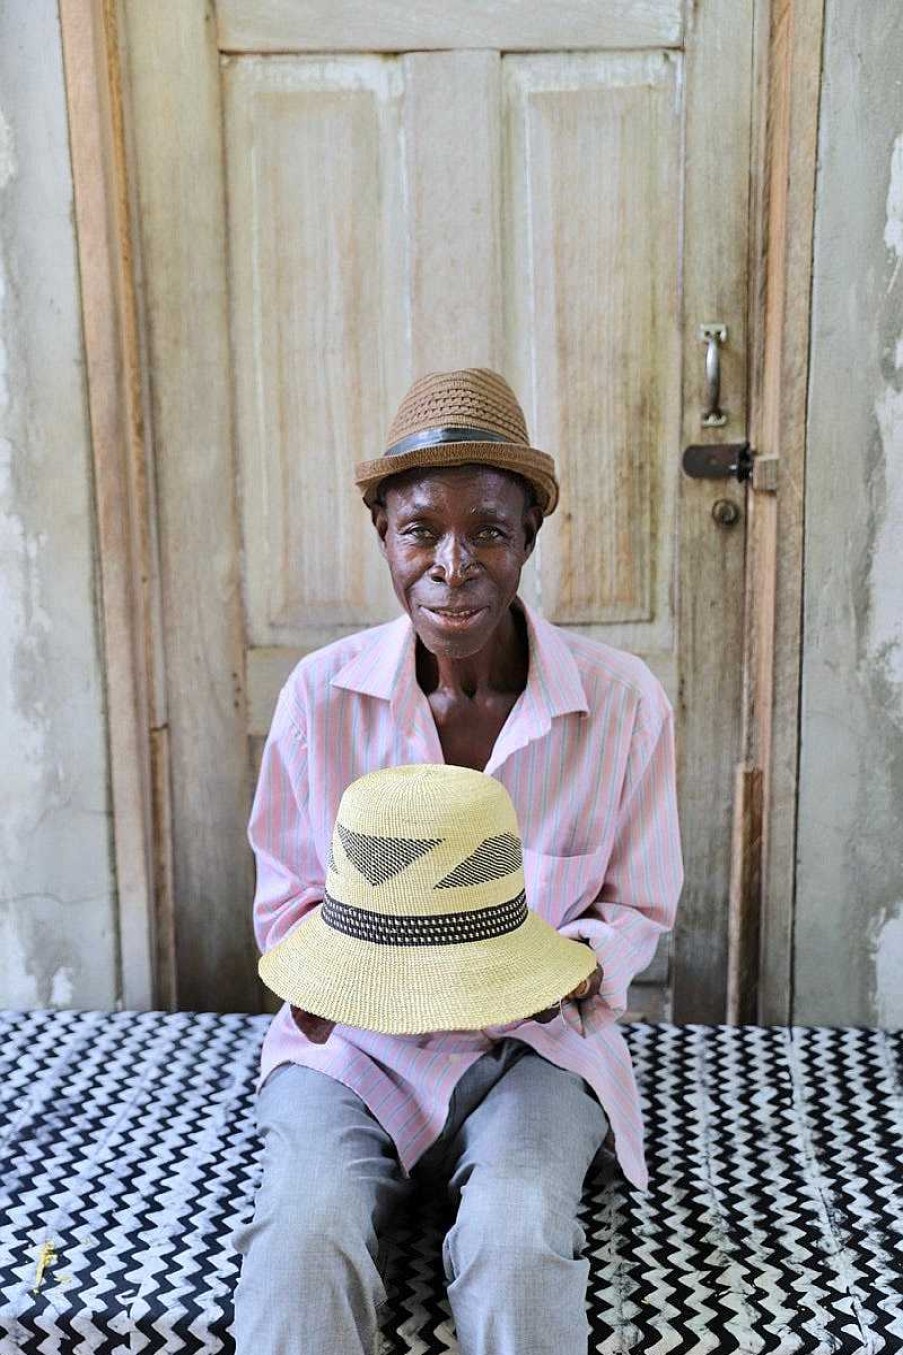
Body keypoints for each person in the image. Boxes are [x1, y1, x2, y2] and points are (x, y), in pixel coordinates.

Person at [231, 367, 684, 1354]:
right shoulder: (320, 699)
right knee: (300, 1243)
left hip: (534, 1049)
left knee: (517, 1243)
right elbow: (288, 900)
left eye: (487, 528)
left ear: (528, 535)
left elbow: (638, 903)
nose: (452, 562)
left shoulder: (624, 703)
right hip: (353, 1052)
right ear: (382, 537)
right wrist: (340, 983)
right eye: (419, 529)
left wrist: (552, 976)